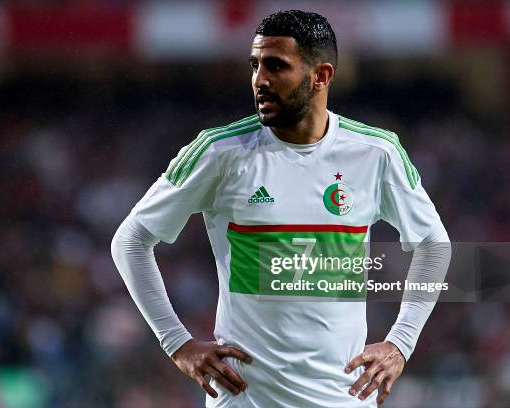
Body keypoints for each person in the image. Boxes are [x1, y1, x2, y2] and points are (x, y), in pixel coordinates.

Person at [111, 10, 451, 408]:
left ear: (321, 76)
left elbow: (434, 244)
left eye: (276, 66)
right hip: (244, 400)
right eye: (255, 65)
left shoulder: (376, 154)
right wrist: (177, 343)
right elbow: (130, 241)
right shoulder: (219, 152)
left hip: (342, 399)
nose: (260, 80)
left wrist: (400, 343)